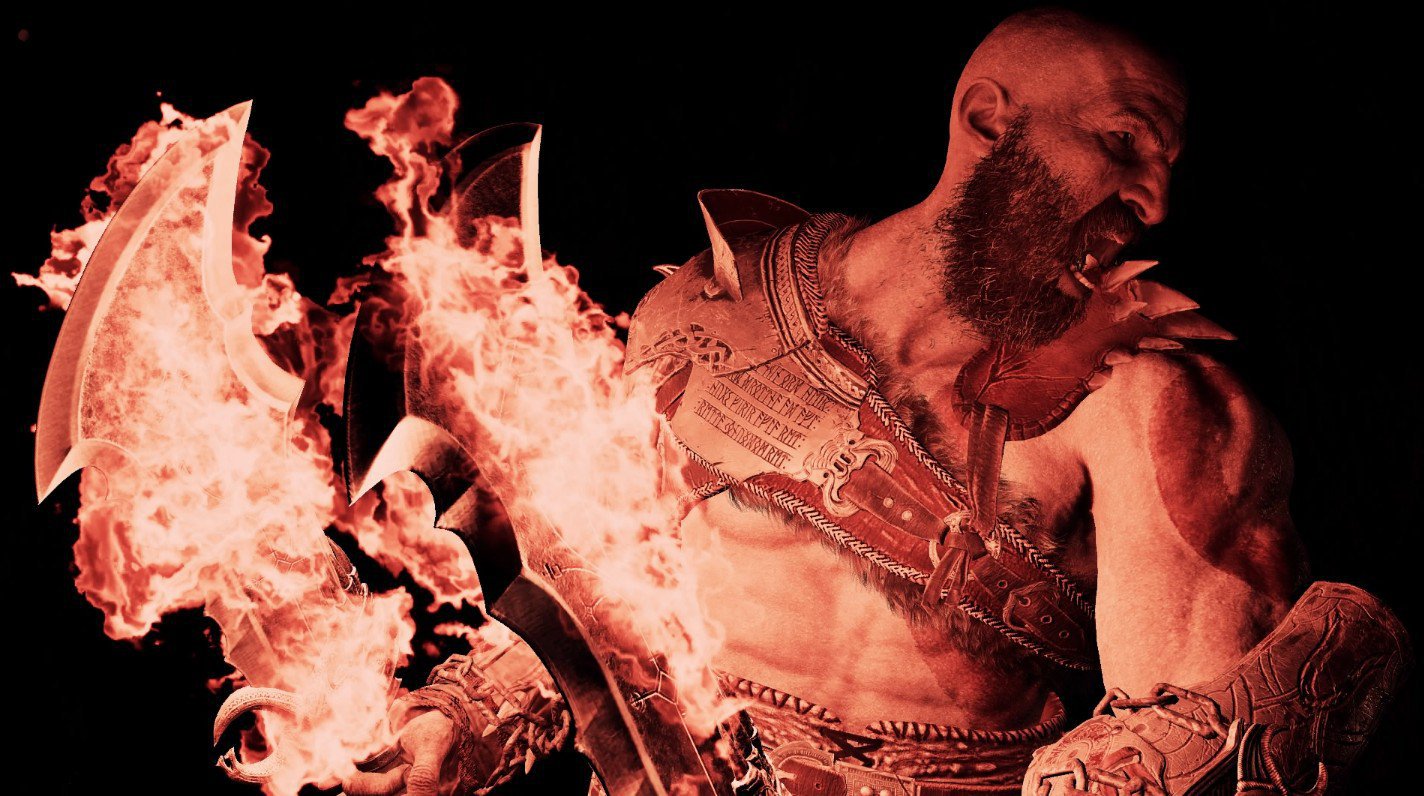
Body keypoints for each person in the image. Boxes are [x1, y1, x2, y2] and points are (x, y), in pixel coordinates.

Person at [341, 8, 1410, 795]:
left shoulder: (1150, 406)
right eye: (1124, 142)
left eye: (1167, 166)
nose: (1153, 200)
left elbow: (1194, 753)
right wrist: (459, 722)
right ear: (987, 120)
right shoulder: (713, 310)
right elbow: (602, 596)